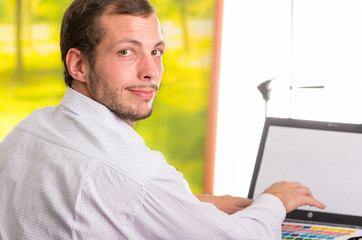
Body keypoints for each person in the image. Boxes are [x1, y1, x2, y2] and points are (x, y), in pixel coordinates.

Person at [0, 0, 325, 239]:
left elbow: (85, 200)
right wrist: (274, 201)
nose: (150, 71)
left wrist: (190, 205)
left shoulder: (31, 129)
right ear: (79, 65)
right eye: (126, 52)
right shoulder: (135, 173)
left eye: (156, 52)